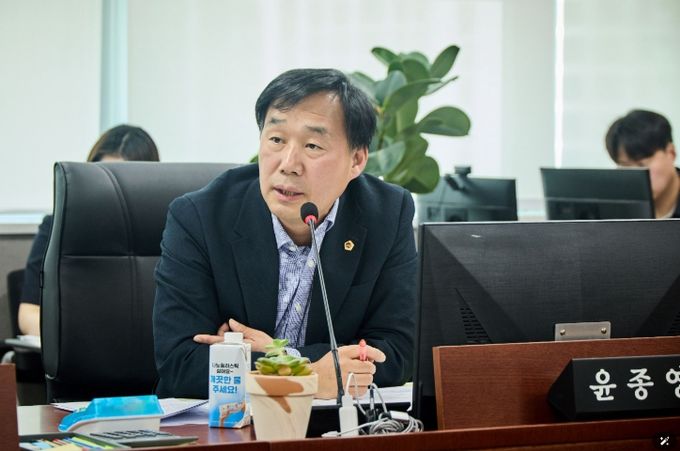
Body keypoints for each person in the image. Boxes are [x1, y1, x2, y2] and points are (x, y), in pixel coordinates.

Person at [153, 68, 417, 399]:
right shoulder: (200, 217)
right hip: (224, 422)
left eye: (313, 145)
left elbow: (397, 352)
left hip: (334, 423)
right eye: (276, 139)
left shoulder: (386, 214)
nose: (289, 164)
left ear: (357, 160)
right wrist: (305, 373)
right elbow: (181, 362)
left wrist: (276, 356)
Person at [18, 125, 160, 336]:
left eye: (121, 182)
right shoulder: (58, 226)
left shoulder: (170, 233)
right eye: (105, 180)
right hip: (77, 350)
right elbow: (28, 314)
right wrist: (78, 338)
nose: (112, 192)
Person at [605, 109, 680, 218]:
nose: (635, 178)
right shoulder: (613, 207)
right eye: (625, 166)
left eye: (642, 165)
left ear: (671, 153)